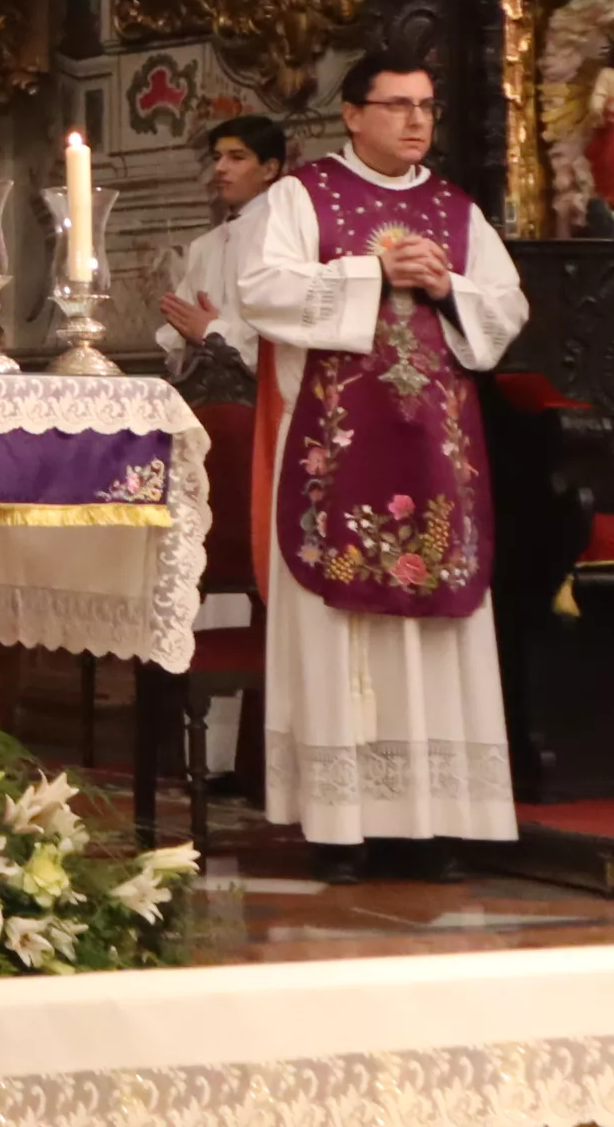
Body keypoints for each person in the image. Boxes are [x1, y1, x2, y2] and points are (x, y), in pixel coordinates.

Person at [232, 54, 528, 883]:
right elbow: (258, 288)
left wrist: (452, 286)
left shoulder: (455, 209)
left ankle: (432, 826)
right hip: (335, 455)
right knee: (344, 629)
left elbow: (508, 310)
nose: (415, 122)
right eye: (396, 106)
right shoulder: (304, 196)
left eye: (426, 107)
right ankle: (341, 829)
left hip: (438, 453)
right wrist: (370, 273)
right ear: (353, 116)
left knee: (435, 628)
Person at [151, 113, 283, 408]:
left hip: (268, 403)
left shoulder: (284, 235)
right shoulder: (203, 246)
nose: (220, 168)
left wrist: (214, 331)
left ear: (269, 168)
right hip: (206, 402)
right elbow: (178, 336)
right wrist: (189, 334)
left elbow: (282, 331)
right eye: (217, 157)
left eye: (237, 157)